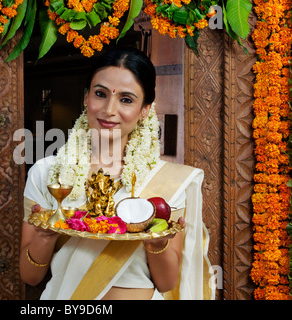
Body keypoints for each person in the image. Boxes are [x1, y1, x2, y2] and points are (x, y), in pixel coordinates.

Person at [20, 47, 214, 300]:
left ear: (145, 109)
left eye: (126, 99)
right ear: (86, 97)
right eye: (100, 94)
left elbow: (166, 283)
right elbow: (30, 276)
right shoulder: (47, 174)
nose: (109, 109)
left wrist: (157, 243)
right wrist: (45, 236)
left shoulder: (167, 181)